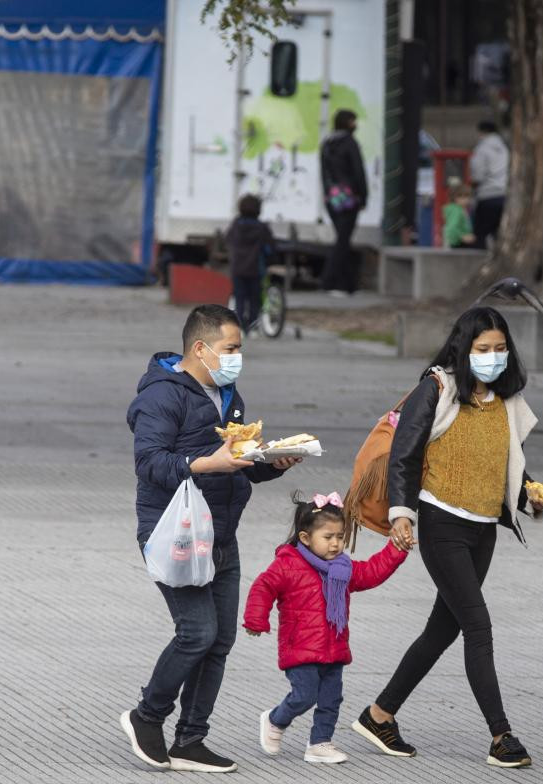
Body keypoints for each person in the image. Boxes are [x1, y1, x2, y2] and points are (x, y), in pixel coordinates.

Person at [350, 306, 543, 769]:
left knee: (442, 630)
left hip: (484, 530)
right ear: (463, 350)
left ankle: (379, 714)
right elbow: (404, 452)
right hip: (442, 524)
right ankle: (501, 735)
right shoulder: (438, 388)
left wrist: (532, 499)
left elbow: (507, 465)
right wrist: (403, 515)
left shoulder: (506, 400)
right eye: (483, 349)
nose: (493, 356)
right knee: (477, 627)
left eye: (500, 348)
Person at [121, 305, 301, 773]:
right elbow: (151, 463)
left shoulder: (226, 393)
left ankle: (190, 740)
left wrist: (270, 463)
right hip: (173, 532)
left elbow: (233, 460)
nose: (238, 357)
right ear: (200, 348)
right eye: (231, 348)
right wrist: (208, 464)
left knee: (219, 639)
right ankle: (146, 716)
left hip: (221, 532)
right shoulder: (162, 396)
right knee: (196, 632)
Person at [244, 492, 407, 764]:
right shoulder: (288, 564)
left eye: (340, 537)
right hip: (301, 647)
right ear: (306, 538)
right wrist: (256, 620)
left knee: (331, 700)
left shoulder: (341, 568)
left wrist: (395, 550)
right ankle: (275, 719)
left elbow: (371, 572)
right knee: (304, 696)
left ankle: (320, 743)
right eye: (328, 537)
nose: (335, 544)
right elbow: (263, 587)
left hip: (334, 646)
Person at [319, 109, 367, 296]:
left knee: (343, 240)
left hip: (332, 197)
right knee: (343, 241)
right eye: (353, 121)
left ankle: (348, 284)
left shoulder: (327, 143)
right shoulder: (350, 143)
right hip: (349, 198)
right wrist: (363, 196)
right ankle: (329, 280)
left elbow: (324, 174)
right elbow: (358, 171)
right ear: (347, 123)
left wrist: (327, 195)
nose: (355, 124)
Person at [225, 194, 274, 331]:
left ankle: (240, 325)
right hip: (256, 269)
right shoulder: (262, 228)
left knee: (239, 298)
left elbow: (227, 240)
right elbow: (269, 248)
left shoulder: (236, 225)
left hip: (237, 268)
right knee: (255, 299)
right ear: (259, 210)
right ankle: (252, 325)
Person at [469, 120, 509, 249]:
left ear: (482, 132)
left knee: (480, 233)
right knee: (499, 234)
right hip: (505, 194)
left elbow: (478, 175)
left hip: (488, 195)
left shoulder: (482, 149)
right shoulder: (505, 148)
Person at [442, 184, 478, 249]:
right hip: (458, 242)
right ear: (454, 198)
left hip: (460, 241)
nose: (466, 200)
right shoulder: (456, 210)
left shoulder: (462, 209)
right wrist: (462, 236)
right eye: (461, 197)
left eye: (468, 197)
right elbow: (451, 227)